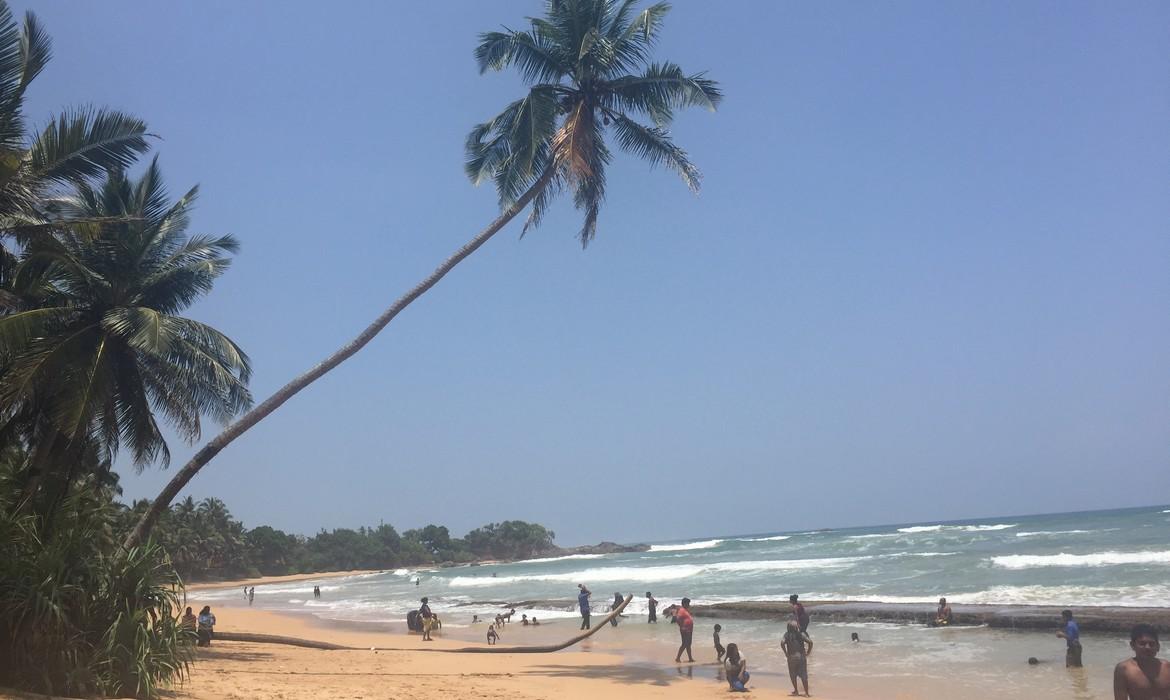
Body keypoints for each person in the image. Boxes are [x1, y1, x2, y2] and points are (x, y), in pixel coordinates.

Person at [1114, 624, 1170, 699]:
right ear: (1132, 645)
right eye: (1142, 643)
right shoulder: (1124, 669)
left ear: (1158, 647)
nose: (1147, 647)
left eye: (1152, 644)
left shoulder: (1167, 667)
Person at [781, 619, 813, 697]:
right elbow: (810, 642)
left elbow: (782, 643)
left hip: (791, 657)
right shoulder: (801, 634)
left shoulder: (786, 635)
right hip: (801, 657)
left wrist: (785, 653)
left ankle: (796, 691)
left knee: (793, 674)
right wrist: (808, 652)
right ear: (796, 627)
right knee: (803, 675)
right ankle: (806, 693)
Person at [673, 598, 695, 663]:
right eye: (688, 603)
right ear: (684, 603)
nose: (689, 605)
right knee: (684, 644)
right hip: (685, 630)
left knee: (688, 645)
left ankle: (690, 658)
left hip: (689, 630)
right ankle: (677, 658)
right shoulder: (681, 610)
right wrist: (681, 626)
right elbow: (677, 619)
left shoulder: (685, 610)